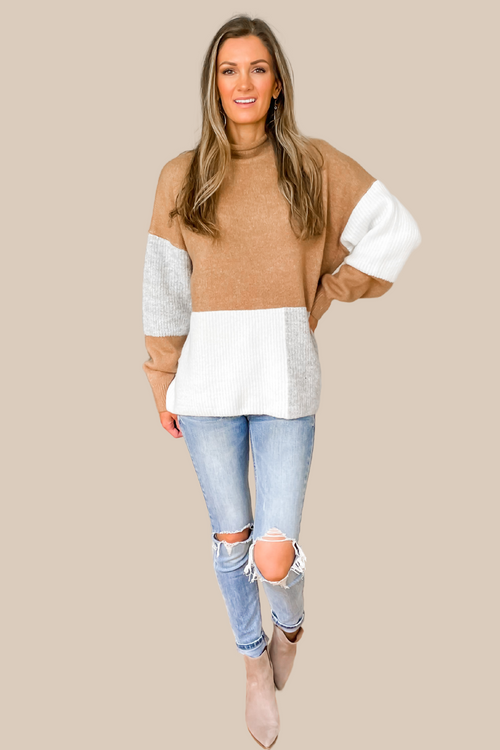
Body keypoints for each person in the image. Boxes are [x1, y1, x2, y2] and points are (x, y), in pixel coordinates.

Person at [141, 14, 421, 749]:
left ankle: (289, 628)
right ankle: (250, 663)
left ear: (277, 83)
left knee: (273, 553)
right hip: (205, 390)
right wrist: (162, 377)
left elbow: (396, 229)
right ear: (213, 83)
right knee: (231, 542)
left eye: (258, 68)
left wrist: (326, 292)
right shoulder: (181, 176)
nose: (244, 83)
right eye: (229, 69)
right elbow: (163, 288)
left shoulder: (313, 164)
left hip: (286, 383)